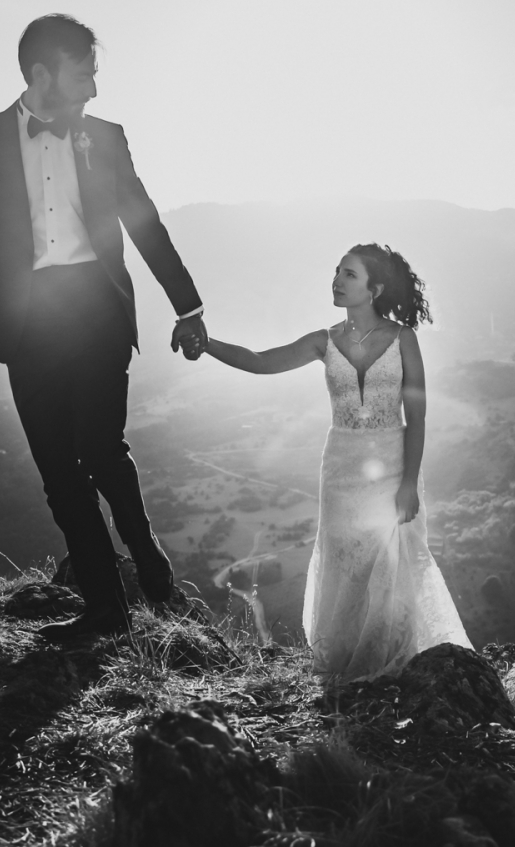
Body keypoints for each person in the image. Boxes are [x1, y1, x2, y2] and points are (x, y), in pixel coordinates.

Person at [0, 14, 208, 642]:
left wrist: (186, 305)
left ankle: (151, 569)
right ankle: (107, 609)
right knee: (59, 468)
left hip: (97, 308)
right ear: (41, 73)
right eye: (83, 72)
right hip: (26, 322)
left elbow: (144, 221)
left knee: (103, 452)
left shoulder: (107, 136)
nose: (93, 86)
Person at [202, 243, 471, 678]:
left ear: (374, 288)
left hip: (392, 467)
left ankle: (390, 660)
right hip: (340, 470)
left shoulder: (403, 339)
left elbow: (417, 418)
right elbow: (259, 362)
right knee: (345, 565)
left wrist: (408, 484)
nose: (337, 281)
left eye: (349, 275)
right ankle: (344, 663)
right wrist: (207, 342)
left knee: (390, 563)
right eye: (337, 272)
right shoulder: (322, 342)